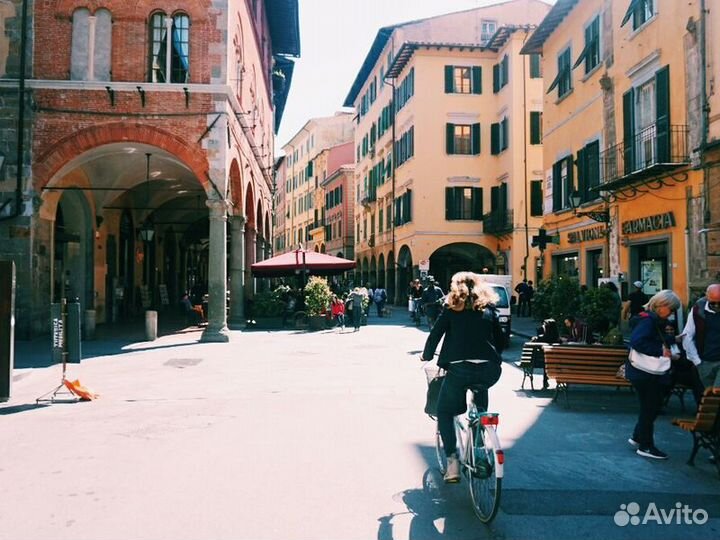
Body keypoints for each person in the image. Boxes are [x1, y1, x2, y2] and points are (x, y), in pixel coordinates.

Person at [420, 272, 505, 483]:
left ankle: (452, 463)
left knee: (445, 411)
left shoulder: (451, 309)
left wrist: (427, 355)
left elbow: (435, 335)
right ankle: (479, 443)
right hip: (490, 369)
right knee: (480, 401)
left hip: (459, 369)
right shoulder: (489, 309)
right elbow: (500, 339)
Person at [626, 289, 682, 460]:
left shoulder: (650, 319)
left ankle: (638, 437)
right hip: (645, 372)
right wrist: (661, 351)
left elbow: (651, 338)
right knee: (650, 407)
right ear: (661, 305)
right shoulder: (649, 321)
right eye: (671, 309)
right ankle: (646, 445)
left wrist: (673, 340)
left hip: (641, 372)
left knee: (650, 406)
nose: (671, 313)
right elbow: (638, 342)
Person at [682, 283, 720, 388]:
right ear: (707, 297)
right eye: (713, 303)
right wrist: (697, 361)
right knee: (710, 397)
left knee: (717, 393)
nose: (716, 306)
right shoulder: (698, 309)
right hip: (705, 361)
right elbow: (687, 335)